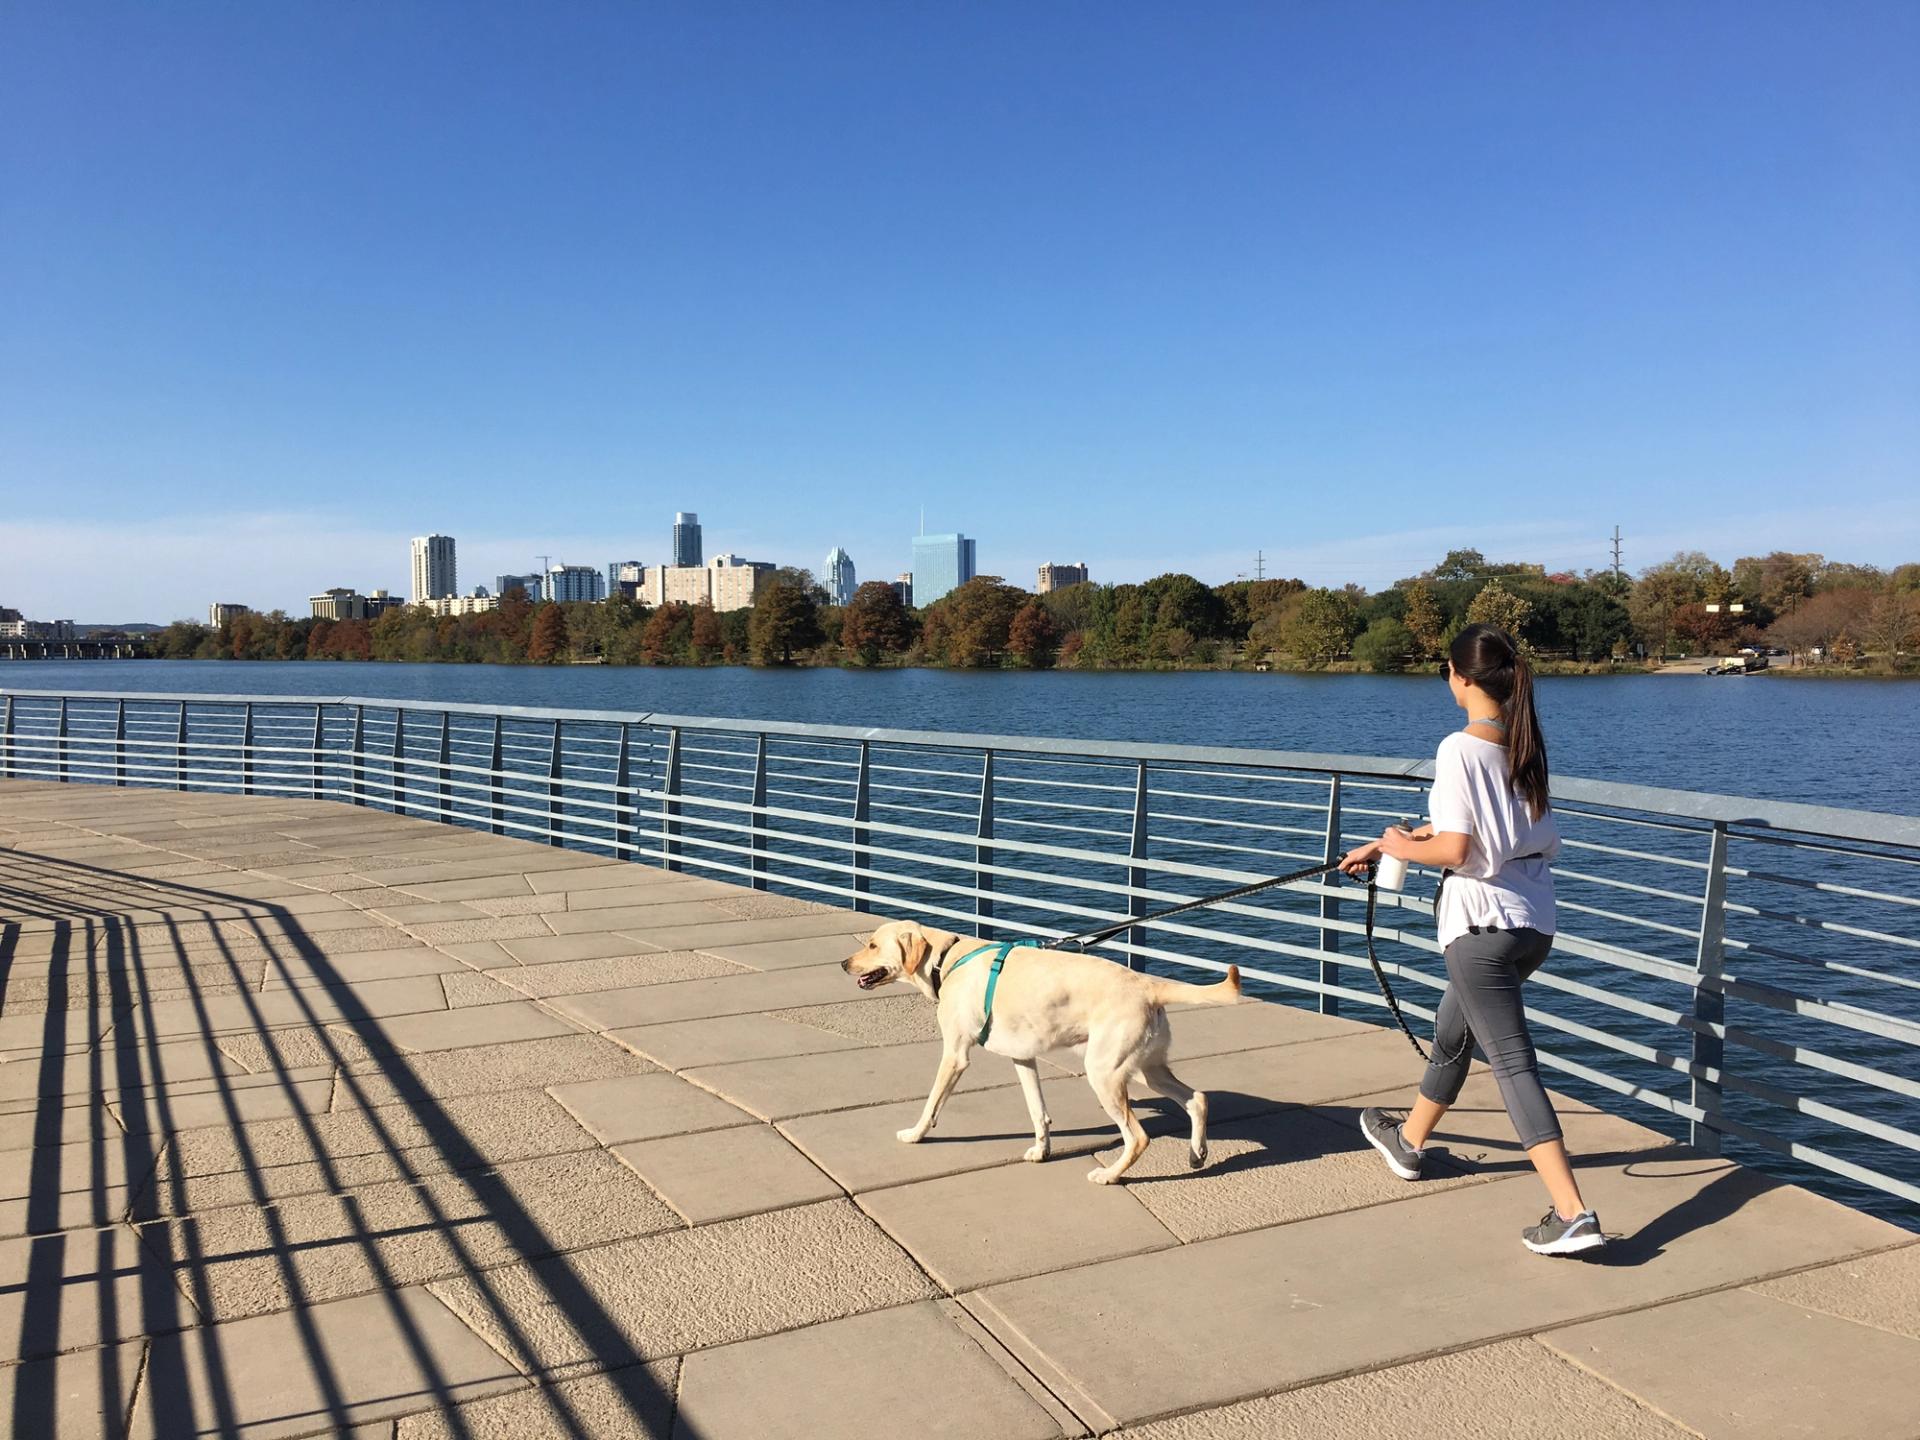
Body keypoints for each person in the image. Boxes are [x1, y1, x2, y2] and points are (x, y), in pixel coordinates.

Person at [1337, 622, 1605, 1257]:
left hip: (1480, 927)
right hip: (1532, 923)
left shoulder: (1459, 747)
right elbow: (1480, 824)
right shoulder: (1521, 742)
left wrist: (1399, 844)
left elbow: (1456, 847)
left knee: (1511, 1062)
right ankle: (1408, 1143)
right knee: (1453, 1032)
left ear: (1458, 677)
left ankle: (1570, 1212)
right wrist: (1385, 843)